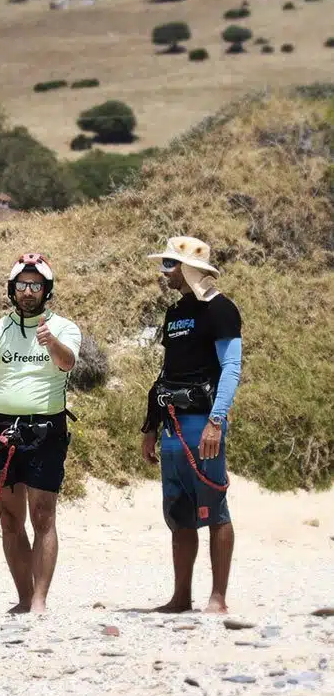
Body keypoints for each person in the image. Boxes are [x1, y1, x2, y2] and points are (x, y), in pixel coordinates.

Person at [0, 254, 81, 614]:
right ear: (12, 289)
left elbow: (67, 362)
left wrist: (50, 341)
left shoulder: (63, 327)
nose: (27, 292)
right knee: (10, 519)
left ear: (46, 291)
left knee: (43, 516)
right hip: (3, 432)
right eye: (21, 285)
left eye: (35, 286)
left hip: (46, 429)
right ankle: (23, 598)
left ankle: (40, 599)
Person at [141, 235, 242, 615]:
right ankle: (181, 597)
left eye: (169, 265)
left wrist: (216, 421)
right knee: (178, 509)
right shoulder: (175, 314)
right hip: (172, 425)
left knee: (214, 507)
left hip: (204, 423)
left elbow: (231, 367)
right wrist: (150, 426)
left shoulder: (221, 310)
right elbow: (166, 372)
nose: (164, 272)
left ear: (187, 268)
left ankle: (218, 597)